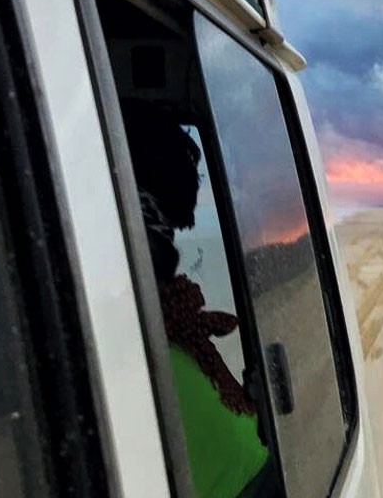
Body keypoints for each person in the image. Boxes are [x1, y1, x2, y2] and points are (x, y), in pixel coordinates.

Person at [123, 108, 276, 498]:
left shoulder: (163, 319)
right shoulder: (145, 324)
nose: (165, 249)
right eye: (152, 230)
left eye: (163, 233)